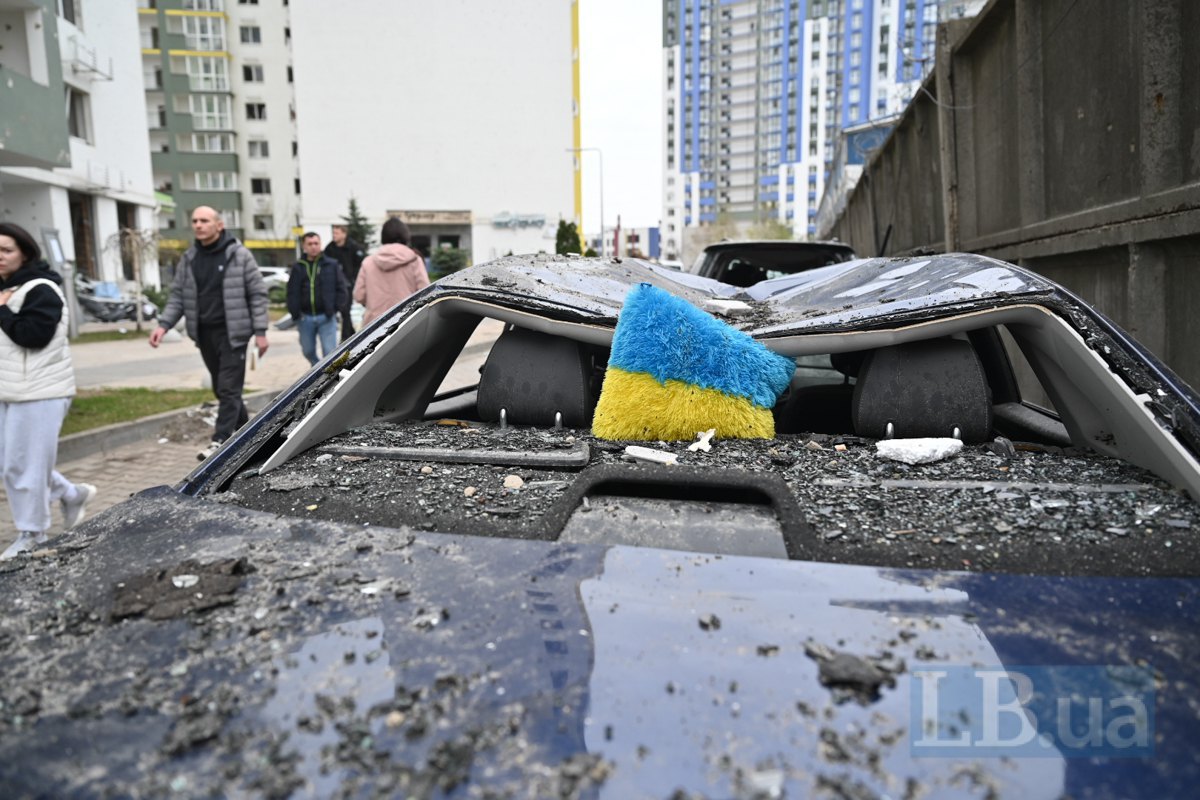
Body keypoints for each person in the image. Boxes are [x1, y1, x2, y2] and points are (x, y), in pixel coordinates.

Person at [0, 222, 97, 559]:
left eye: (6, 250)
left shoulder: (41, 289)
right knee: (12, 463)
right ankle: (71, 494)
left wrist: (1, 310)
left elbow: (33, 336)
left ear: (24, 253)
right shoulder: (6, 289)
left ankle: (33, 535)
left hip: (41, 392)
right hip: (8, 390)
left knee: (22, 466)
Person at [150, 206, 269, 461]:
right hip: (204, 333)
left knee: (228, 388)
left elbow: (258, 294)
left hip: (234, 333)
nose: (198, 225)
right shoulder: (190, 258)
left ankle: (220, 441)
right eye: (194, 221)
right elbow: (178, 296)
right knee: (223, 388)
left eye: (204, 220)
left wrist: (260, 331)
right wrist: (163, 325)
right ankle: (251, 434)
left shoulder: (239, 255)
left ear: (219, 225)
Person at [353, 217, 430, 326]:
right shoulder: (414, 260)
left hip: (373, 326)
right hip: (405, 323)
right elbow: (425, 292)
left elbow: (359, 296)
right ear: (405, 235)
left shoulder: (368, 262)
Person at [287, 232, 342, 366]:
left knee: (330, 353)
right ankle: (317, 368)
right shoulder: (298, 266)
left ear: (320, 244)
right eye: (310, 244)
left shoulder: (331, 265)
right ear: (304, 246)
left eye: (316, 243)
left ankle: (328, 377)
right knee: (308, 351)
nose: (313, 247)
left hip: (326, 317)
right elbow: (291, 291)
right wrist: (295, 313)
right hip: (305, 318)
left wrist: (335, 308)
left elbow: (341, 287)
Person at [324, 224, 365, 341]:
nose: (334, 235)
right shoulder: (330, 248)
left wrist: (354, 278)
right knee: (343, 310)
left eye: (336, 233)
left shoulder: (353, 247)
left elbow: (361, 264)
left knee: (345, 309)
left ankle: (345, 337)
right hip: (334, 284)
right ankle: (351, 333)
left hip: (348, 283)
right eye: (333, 233)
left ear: (344, 234)